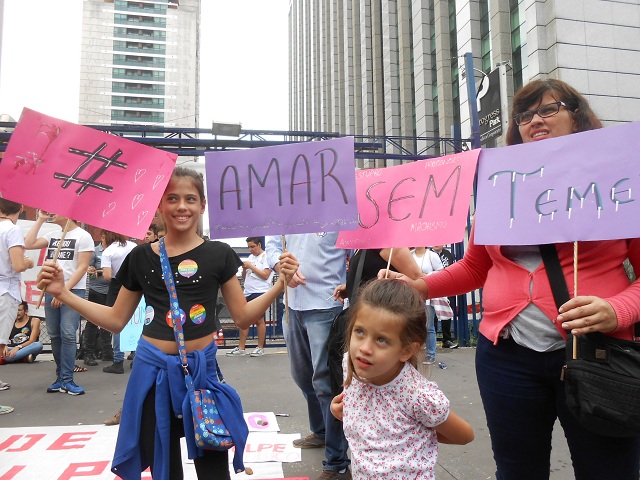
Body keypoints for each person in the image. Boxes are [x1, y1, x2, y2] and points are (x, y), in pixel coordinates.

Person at [381, 79, 640, 479]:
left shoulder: (620, 179)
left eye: (548, 109)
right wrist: (422, 287)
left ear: (578, 115)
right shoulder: (502, 186)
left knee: (608, 470)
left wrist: (617, 310)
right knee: (517, 469)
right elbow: (475, 267)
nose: (534, 120)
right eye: (524, 115)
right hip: (505, 357)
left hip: (595, 353)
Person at [37, 167, 299, 480]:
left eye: (190, 199)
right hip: (152, 375)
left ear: (202, 205)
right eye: (172, 198)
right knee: (164, 467)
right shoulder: (141, 257)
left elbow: (242, 316)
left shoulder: (220, 253)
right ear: (159, 205)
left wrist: (278, 286)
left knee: (214, 468)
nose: (181, 206)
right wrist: (63, 293)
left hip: (202, 376)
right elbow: (116, 320)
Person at [330, 279, 474, 479]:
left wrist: (418, 437)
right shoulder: (351, 366)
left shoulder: (419, 396)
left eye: (381, 340)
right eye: (360, 331)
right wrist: (342, 411)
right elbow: (358, 409)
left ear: (406, 350)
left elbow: (464, 435)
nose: (364, 348)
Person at [266, 234, 351, 480]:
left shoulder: (335, 206)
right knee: (303, 377)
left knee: (325, 384)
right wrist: (278, 265)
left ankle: (337, 461)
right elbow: (272, 245)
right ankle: (321, 430)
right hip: (292, 305)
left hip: (326, 304)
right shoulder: (286, 207)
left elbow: (356, 249)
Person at [25, 211, 93, 395]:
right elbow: (28, 243)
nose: (52, 213)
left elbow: (82, 267)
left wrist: (64, 291)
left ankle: (68, 379)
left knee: (68, 333)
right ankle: (60, 376)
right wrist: (39, 219)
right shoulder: (53, 235)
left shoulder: (84, 236)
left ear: (70, 215)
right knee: (55, 334)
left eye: (57, 211)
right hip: (50, 290)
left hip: (72, 290)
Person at [0, 199, 35, 401]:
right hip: (6, 290)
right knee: (1, 341)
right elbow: (18, 264)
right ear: (20, 209)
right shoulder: (11, 230)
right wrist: (29, 262)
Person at [227, 236, 273, 357]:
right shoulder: (250, 258)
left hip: (260, 291)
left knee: (259, 320)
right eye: (249, 247)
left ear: (259, 245)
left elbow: (265, 275)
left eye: (252, 247)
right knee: (243, 319)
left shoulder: (266, 257)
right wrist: (244, 269)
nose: (251, 249)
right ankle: (241, 347)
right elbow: (244, 277)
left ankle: (260, 347)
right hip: (248, 291)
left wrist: (252, 266)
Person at [101, 230, 137, 374]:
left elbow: (107, 275)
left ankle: (118, 361)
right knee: (136, 320)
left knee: (117, 322)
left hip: (117, 286)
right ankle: (136, 356)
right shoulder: (133, 246)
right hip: (135, 285)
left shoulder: (108, 252)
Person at [83, 231, 113, 366]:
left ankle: (107, 352)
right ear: (102, 237)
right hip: (96, 291)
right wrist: (97, 271)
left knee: (109, 322)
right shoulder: (95, 252)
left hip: (111, 290)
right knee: (92, 322)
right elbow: (89, 271)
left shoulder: (114, 251)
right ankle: (88, 353)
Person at [411, 247, 444, 364]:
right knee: (414, 324)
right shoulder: (410, 255)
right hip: (414, 294)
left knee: (429, 326)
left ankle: (431, 354)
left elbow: (441, 272)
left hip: (428, 295)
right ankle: (415, 352)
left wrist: (427, 275)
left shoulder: (431, 255)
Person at [430, 246, 458, 349]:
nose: (436, 243)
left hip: (446, 287)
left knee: (447, 314)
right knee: (432, 316)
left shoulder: (448, 254)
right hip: (433, 287)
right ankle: (433, 340)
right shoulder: (428, 254)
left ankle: (447, 339)